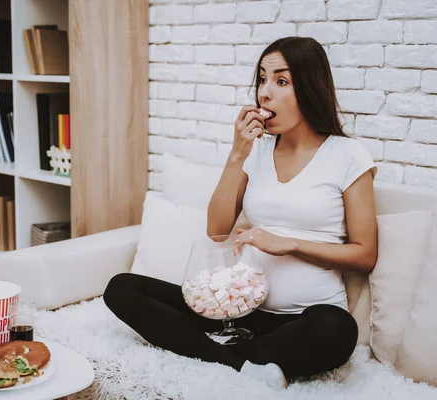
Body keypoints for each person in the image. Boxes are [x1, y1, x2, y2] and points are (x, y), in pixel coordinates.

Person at [103, 36, 378, 391]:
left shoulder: (348, 155)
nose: (265, 92)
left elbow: (365, 254)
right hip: (235, 314)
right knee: (122, 288)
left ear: (311, 87)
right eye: (262, 79)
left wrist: (289, 244)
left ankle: (214, 353)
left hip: (306, 319)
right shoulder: (256, 150)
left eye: (281, 81)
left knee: (337, 329)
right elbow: (217, 230)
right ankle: (243, 364)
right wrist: (237, 154)